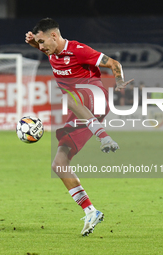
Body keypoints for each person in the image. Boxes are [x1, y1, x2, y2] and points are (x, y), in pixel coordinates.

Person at [25, 18, 133, 236]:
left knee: (71, 97)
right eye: (40, 44)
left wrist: (119, 82)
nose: (42, 48)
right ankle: (90, 211)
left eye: (43, 42)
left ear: (54, 36)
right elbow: (44, 48)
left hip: (95, 98)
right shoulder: (52, 52)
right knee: (59, 163)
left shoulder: (78, 50)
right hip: (81, 111)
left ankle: (104, 137)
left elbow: (114, 63)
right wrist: (33, 42)